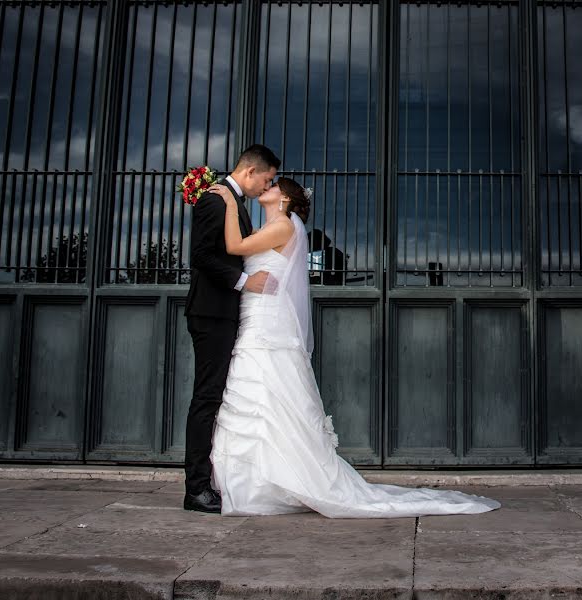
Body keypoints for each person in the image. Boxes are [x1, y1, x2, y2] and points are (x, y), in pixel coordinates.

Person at [204, 177, 500, 518]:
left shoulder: (283, 226)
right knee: (257, 396)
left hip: (267, 324)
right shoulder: (273, 225)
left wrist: (228, 202)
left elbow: (234, 247)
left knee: (266, 391)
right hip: (256, 316)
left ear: (283, 198)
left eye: (272, 186)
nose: (265, 188)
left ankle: (271, 481)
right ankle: (257, 480)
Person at [183, 144, 280, 513]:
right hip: (210, 313)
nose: (265, 188)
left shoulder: (233, 201)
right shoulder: (215, 199)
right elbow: (202, 255)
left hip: (224, 313)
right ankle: (195, 489)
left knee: (213, 397)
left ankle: (209, 481)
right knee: (206, 398)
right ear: (251, 171)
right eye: (267, 179)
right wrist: (244, 283)